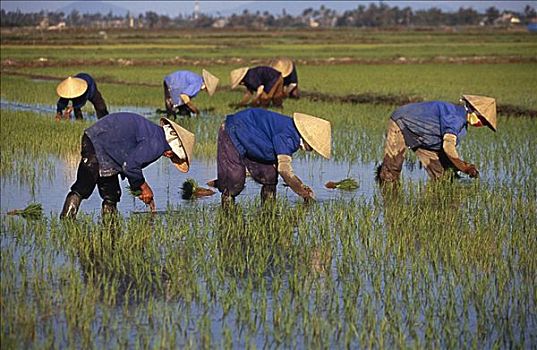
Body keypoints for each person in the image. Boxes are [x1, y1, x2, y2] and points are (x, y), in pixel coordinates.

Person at [59, 112, 195, 218]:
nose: (169, 157)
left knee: (111, 194)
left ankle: (110, 227)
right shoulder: (157, 144)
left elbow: (128, 163)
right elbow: (130, 166)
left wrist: (138, 188)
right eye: (173, 156)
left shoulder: (156, 135)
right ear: (172, 151)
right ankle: (66, 222)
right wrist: (144, 187)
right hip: (97, 141)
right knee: (83, 186)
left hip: (109, 149)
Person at [211, 108, 331, 207]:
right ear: (308, 139)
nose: (312, 150)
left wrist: (300, 185)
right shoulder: (289, 136)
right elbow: (284, 170)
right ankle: (227, 211)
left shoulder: (292, 133)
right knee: (234, 182)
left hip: (254, 140)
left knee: (269, 175)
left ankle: (268, 209)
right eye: (313, 146)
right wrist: (302, 192)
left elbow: (279, 163)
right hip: (234, 131)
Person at [377, 94, 497, 184]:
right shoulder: (456, 118)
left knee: (441, 175)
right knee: (392, 169)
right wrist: (464, 167)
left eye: (484, 123)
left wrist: (459, 166)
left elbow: (444, 151)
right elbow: (448, 147)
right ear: (474, 111)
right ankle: (390, 200)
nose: (481, 124)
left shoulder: (462, 124)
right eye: (482, 120)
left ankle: (440, 203)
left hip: (424, 135)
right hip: (402, 122)